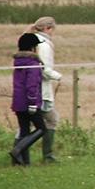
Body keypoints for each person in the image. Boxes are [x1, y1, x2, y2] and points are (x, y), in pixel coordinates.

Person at [9, 32, 47, 165]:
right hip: (29, 103)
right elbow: (32, 85)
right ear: (32, 47)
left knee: (24, 131)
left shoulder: (18, 62)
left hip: (18, 103)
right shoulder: (33, 63)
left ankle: (24, 162)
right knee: (42, 129)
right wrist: (32, 102)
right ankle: (17, 150)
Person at [29, 16, 62, 161]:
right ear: (48, 28)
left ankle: (20, 152)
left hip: (29, 89)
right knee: (51, 120)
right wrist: (58, 76)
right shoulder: (44, 44)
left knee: (27, 124)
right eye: (52, 30)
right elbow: (44, 69)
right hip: (41, 90)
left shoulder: (31, 40)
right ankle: (47, 155)